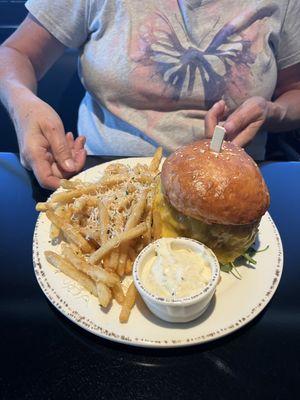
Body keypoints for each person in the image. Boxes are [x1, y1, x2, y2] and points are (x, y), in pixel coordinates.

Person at [1, 0, 300, 190]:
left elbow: (294, 92)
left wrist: (272, 112)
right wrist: (24, 107)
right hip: (99, 175)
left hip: (230, 184)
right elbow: (15, 53)